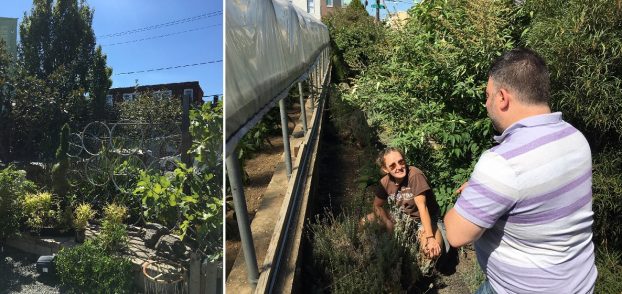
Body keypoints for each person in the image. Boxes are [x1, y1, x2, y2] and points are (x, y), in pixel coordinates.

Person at [444, 48, 597, 293]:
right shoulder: (575, 137)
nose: (486, 104)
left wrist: (470, 193)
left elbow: (455, 234)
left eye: (487, 95)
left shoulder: (503, 162)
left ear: (502, 98)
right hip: (579, 283)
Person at [364, 147, 446, 259]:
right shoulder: (385, 182)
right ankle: (366, 254)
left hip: (425, 220)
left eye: (401, 161)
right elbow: (376, 205)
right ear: (385, 169)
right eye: (392, 165)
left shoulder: (415, 175)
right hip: (403, 217)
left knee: (430, 252)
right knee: (366, 221)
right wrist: (387, 221)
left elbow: (422, 207)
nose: (399, 167)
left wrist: (430, 237)